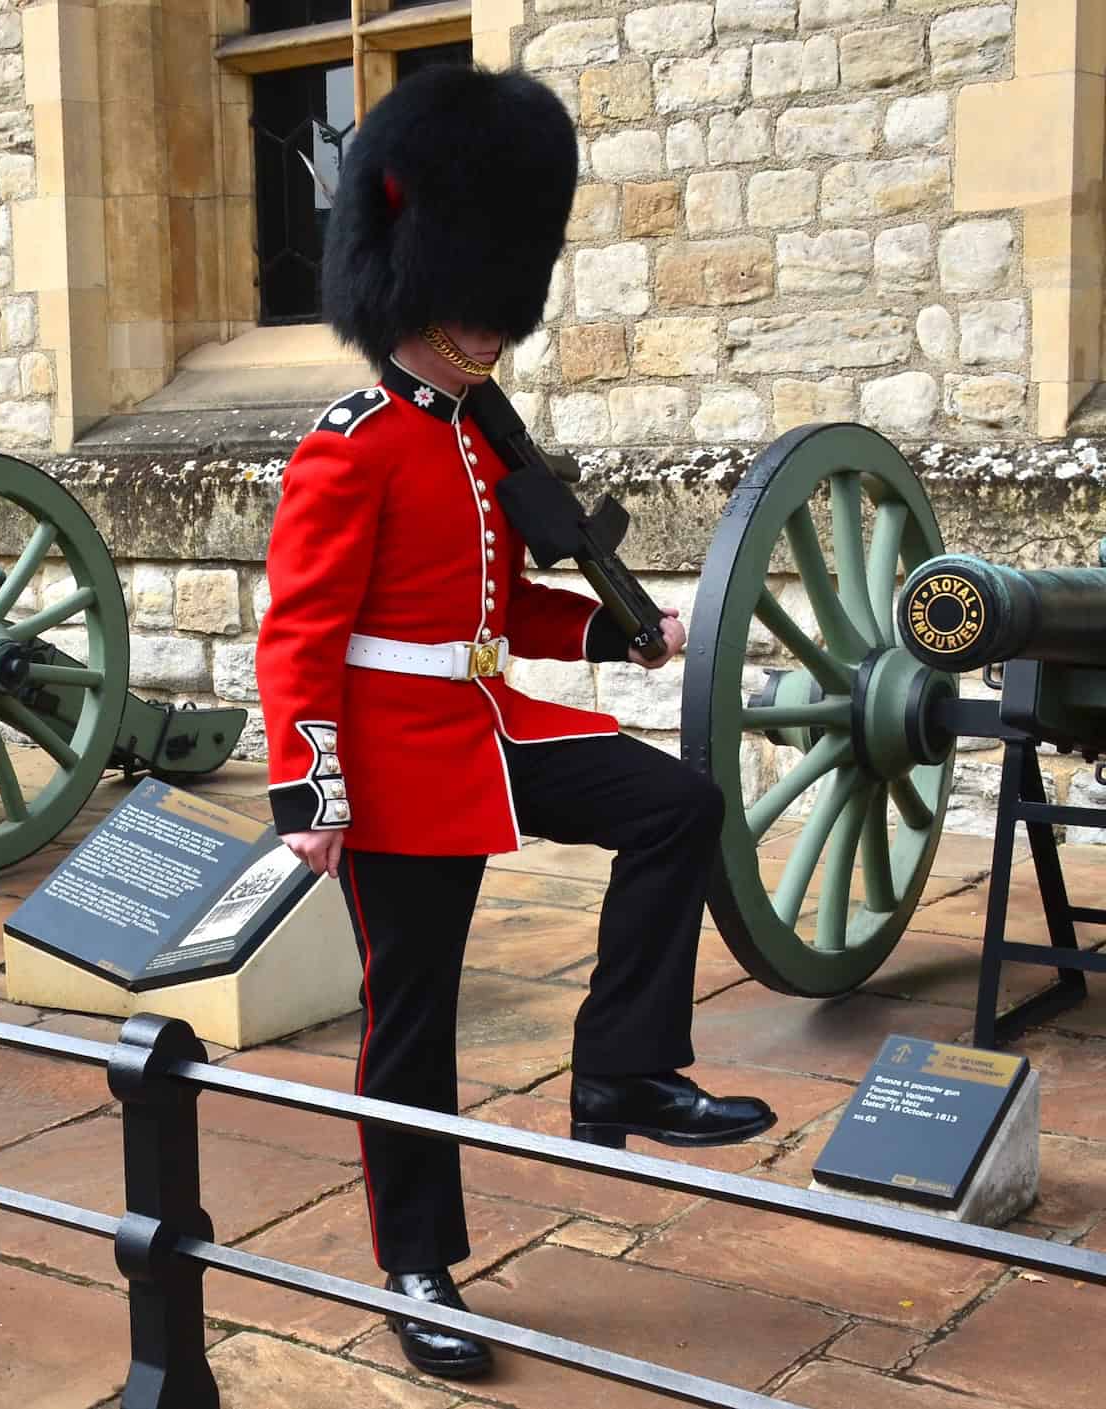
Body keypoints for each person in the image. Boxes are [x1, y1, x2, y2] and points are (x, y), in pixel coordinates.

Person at [255, 65, 776, 1382]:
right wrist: (311, 787)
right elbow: (301, 635)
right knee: (411, 1020)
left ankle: (623, 1069)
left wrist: (613, 628)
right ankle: (418, 1264)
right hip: (391, 758)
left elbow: (503, 606)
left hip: (488, 717)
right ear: (414, 289)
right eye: (469, 316)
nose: (486, 338)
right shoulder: (352, 443)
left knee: (677, 807)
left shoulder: (479, 439)